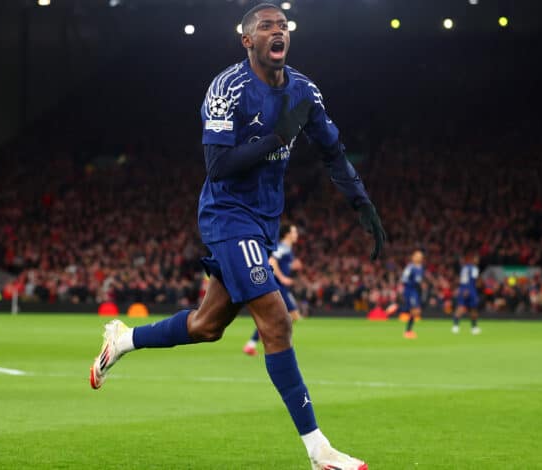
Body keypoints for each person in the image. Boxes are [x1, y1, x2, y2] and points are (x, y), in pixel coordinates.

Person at [89, 4, 385, 469]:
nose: (277, 31)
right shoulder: (227, 89)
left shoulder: (304, 90)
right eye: (266, 26)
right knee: (278, 322)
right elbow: (218, 166)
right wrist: (276, 138)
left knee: (206, 326)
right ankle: (318, 450)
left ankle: (124, 340)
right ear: (247, 40)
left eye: (282, 25)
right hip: (227, 215)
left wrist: (362, 202)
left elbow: (333, 151)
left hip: (264, 221)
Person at [244, 223, 302, 356]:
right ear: (287, 234)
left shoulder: (287, 249)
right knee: (292, 316)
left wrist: (292, 266)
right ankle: (272, 340)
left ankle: (254, 344)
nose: (296, 234)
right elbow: (272, 261)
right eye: (294, 232)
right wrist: (282, 278)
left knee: (279, 318)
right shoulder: (283, 247)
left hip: (281, 287)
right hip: (278, 286)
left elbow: (281, 263)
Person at [453, 255, 481, 335]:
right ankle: (474, 328)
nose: (477, 260)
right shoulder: (474, 268)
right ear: (472, 260)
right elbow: (473, 280)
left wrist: (461, 288)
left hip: (462, 289)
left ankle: (455, 326)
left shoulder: (464, 268)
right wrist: (468, 289)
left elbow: (461, 280)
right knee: (473, 309)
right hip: (470, 290)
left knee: (460, 307)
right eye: (476, 259)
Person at [401, 250, 424, 339]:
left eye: (421, 256)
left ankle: (408, 330)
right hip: (410, 290)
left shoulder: (421, 268)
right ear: (413, 257)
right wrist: (409, 285)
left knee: (416, 311)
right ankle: (408, 331)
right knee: (415, 310)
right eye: (417, 256)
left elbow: (419, 280)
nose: (419, 258)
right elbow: (404, 279)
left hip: (415, 291)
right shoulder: (410, 267)